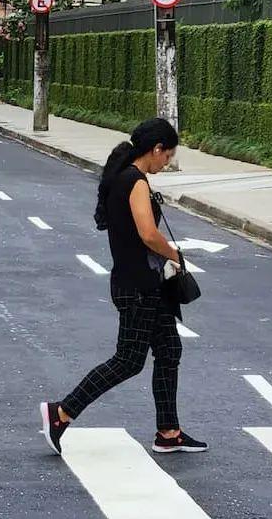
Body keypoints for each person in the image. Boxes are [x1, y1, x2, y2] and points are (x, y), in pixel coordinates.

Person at [40, 117, 208, 456]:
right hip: (138, 286)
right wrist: (174, 254)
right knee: (128, 360)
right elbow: (148, 234)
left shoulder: (125, 177)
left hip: (143, 284)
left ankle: (169, 432)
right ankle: (61, 412)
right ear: (156, 149)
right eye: (168, 156)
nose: (167, 162)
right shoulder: (135, 182)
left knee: (169, 350)